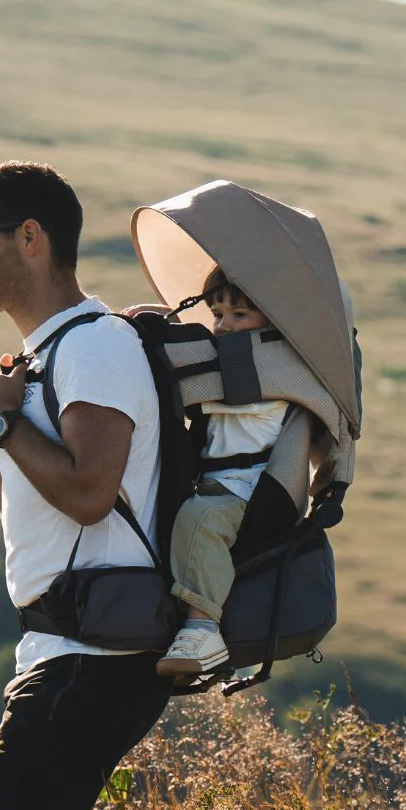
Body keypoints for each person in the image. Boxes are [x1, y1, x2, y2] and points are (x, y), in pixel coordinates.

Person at [0, 162, 247, 810]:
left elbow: (86, 490)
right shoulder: (49, 358)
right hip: (67, 637)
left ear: (31, 238)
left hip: (96, 644)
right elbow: (32, 513)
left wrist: (10, 425)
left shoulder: (95, 346)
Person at [128, 267, 288, 678]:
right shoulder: (230, 362)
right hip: (218, 484)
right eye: (217, 315)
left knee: (199, 523)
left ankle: (203, 626)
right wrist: (155, 316)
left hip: (250, 491)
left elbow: (207, 378)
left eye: (239, 315)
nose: (223, 326)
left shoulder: (273, 368)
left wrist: (163, 335)